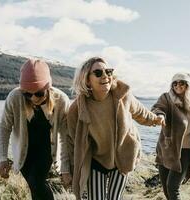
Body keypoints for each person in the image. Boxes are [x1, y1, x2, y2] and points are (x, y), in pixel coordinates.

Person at [67, 57, 163, 200]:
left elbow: (141, 113)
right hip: (96, 160)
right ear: (87, 80)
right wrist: (69, 170)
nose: (105, 76)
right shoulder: (78, 108)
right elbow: (72, 140)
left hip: (123, 157)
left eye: (109, 71)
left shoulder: (123, 95)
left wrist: (156, 119)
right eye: (98, 73)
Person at [0, 59, 72, 200]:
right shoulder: (15, 97)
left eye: (38, 93)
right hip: (23, 153)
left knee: (36, 182)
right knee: (34, 188)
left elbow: (65, 136)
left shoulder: (61, 100)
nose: (33, 98)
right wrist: (2, 158)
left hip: (46, 151)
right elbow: (4, 128)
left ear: (48, 87)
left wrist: (65, 168)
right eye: (27, 94)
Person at [151, 72, 190, 200]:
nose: (177, 86)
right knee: (166, 189)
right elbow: (158, 108)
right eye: (174, 83)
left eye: (181, 83)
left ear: (188, 85)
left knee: (172, 187)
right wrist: (160, 116)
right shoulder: (167, 98)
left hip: (187, 152)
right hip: (167, 150)